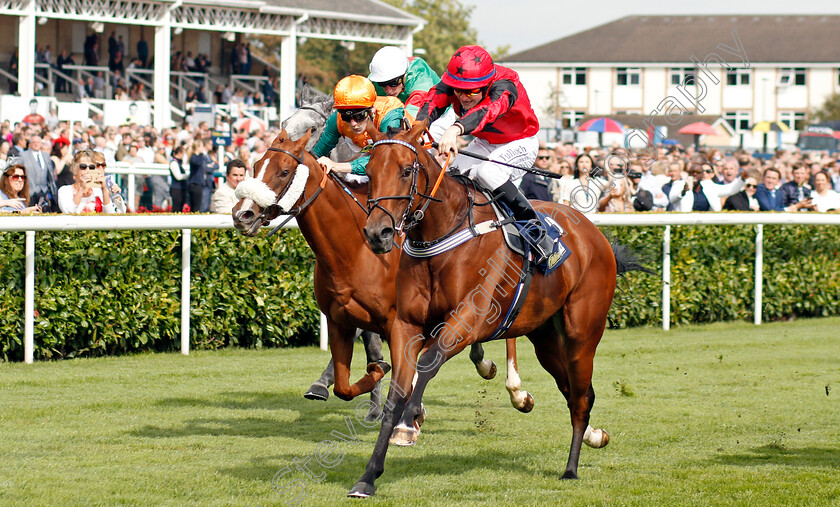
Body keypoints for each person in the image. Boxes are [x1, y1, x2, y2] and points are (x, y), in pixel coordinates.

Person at [415, 45, 555, 261]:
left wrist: (455, 129)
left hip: (521, 142)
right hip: (486, 142)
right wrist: (416, 129)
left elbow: (486, 111)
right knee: (451, 176)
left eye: (471, 91)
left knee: (487, 173)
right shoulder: (454, 85)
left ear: (487, 84)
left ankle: (536, 230)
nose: (463, 97)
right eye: (458, 90)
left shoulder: (506, 85)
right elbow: (433, 100)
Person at [312, 75, 406, 176]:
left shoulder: (389, 114)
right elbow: (317, 153)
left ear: (372, 109)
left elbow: (386, 159)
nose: (353, 123)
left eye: (360, 116)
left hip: (406, 158)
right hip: (372, 154)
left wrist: (337, 166)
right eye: (346, 117)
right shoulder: (337, 119)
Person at [669, 162, 744, 212]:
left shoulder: (709, 185)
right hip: (684, 226)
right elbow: (672, 199)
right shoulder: (679, 184)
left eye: (698, 172)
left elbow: (730, 190)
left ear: (702, 174)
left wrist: (742, 179)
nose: (695, 174)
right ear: (688, 173)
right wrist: (683, 192)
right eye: (692, 172)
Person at [21, 135, 57, 209]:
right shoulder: (23, 155)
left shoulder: (46, 156)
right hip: (29, 192)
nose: (36, 144)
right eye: (34, 142)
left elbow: (50, 175)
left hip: (43, 191)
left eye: (38, 142)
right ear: (30, 144)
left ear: (41, 144)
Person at [169, 145, 188, 212]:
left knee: (180, 208)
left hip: (181, 188)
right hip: (176, 189)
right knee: (176, 208)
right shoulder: (174, 163)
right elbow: (178, 176)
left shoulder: (178, 163)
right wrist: (189, 176)